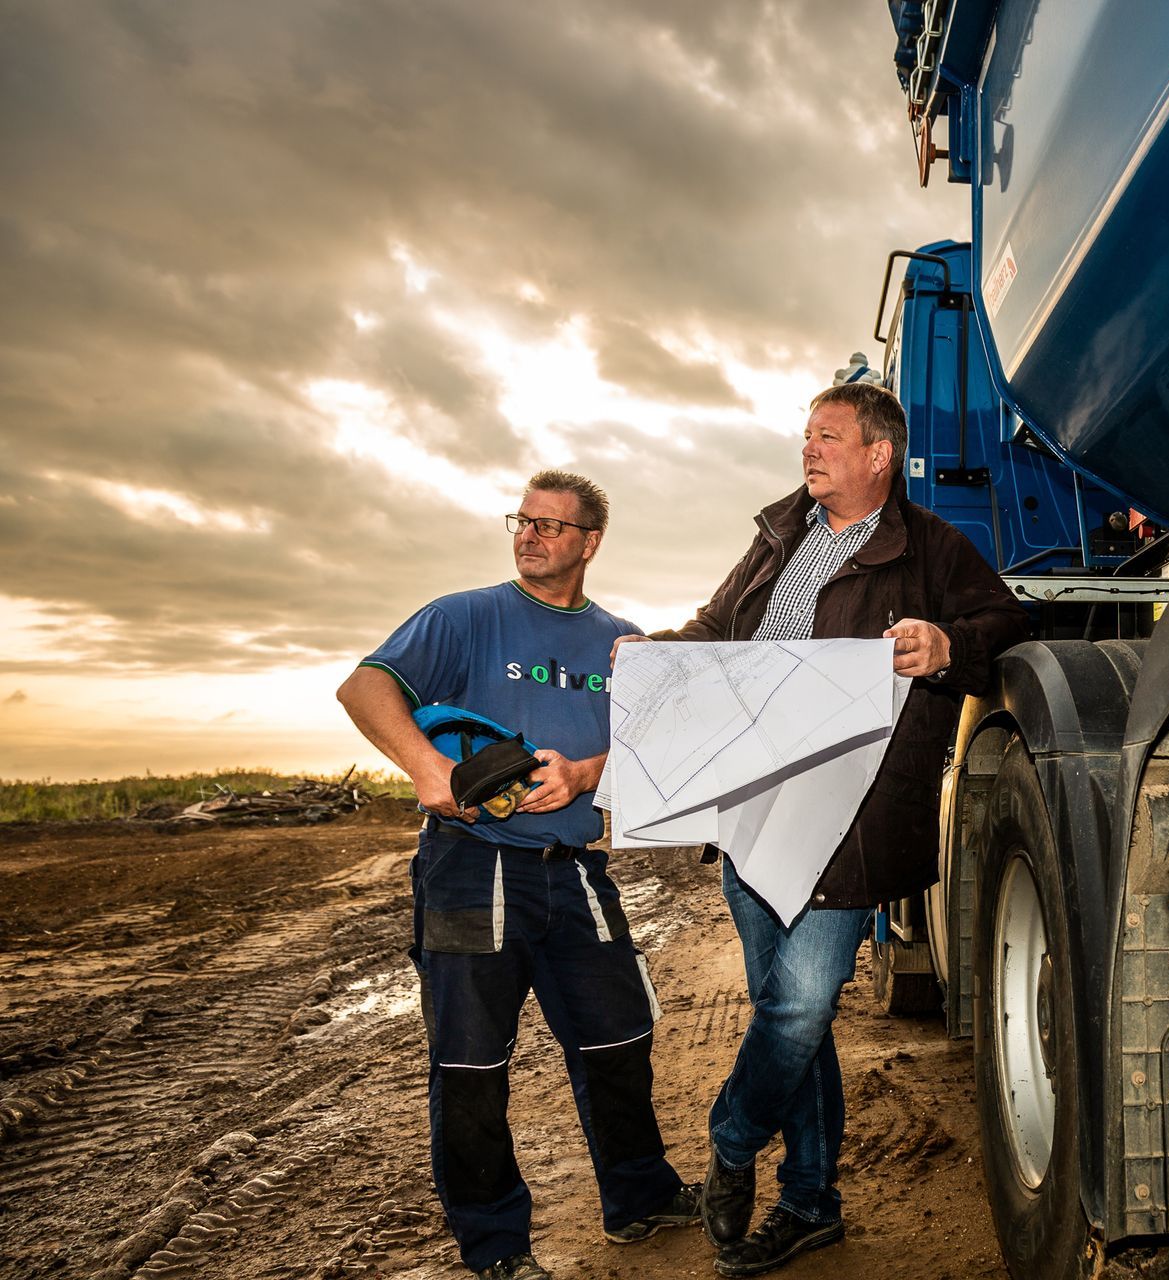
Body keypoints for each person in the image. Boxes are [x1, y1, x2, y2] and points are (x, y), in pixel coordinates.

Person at [621, 382, 1027, 1276]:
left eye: (828, 437)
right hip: (752, 807)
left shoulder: (929, 547)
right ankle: (810, 1204)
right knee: (788, 1020)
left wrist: (949, 645)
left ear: (879, 454)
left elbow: (1007, 621)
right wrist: (656, 653)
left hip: (848, 816)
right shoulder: (778, 538)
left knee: (800, 1005)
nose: (809, 449)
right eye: (806, 435)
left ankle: (731, 1144)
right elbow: (714, 630)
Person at [337, 471, 698, 1280]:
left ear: (590, 542)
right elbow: (365, 687)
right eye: (522, 520)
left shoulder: (623, 640)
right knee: (471, 1062)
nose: (529, 535)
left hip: (572, 868)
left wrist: (583, 775)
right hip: (470, 867)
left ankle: (639, 1200)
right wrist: (427, 764)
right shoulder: (465, 616)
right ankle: (496, 1246)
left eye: (550, 525)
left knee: (619, 1036)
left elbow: (651, 754)